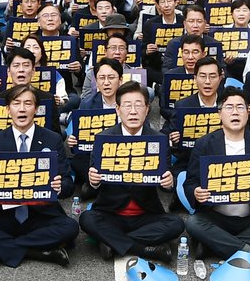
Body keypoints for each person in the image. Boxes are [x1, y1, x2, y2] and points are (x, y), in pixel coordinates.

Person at [0, 84, 78, 267]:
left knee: (71, 228)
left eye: (28, 103)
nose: (22, 109)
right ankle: (42, 252)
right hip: (4, 214)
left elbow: (68, 186)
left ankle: (3, 248)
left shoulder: (52, 139)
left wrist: (60, 186)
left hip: (41, 214)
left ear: (36, 109)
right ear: (8, 109)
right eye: (16, 104)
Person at [183, 88, 250, 269]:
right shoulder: (205, 144)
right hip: (216, 216)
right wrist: (196, 192)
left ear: (248, 113)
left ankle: (213, 245)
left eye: (240, 107)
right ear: (219, 114)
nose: (235, 112)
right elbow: (190, 182)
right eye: (229, 107)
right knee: (193, 223)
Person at [78, 81, 184, 261]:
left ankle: (112, 242)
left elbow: (166, 185)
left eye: (138, 105)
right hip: (110, 212)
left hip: (146, 214)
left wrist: (169, 182)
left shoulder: (159, 139)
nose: (133, 111)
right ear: (118, 109)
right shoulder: (103, 138)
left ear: (147, 109)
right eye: (127, 105)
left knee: (177, 224)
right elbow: (93, 184)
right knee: (86, 219)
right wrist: (94, 180)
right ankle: (144, 249)